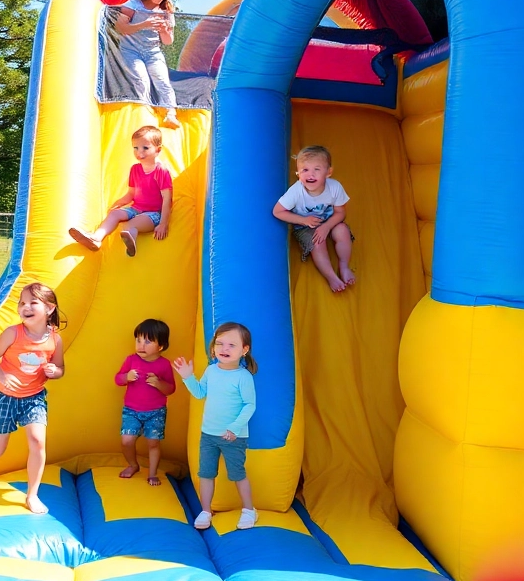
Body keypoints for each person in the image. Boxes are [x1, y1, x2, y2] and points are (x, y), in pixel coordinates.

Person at [0, 282, 67, 514]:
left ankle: (32, 495)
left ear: (49, 309)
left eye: (33, 302)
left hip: (34, 397)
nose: (25, 307)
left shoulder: (55, 339)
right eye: (22, 303)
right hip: (3, 397)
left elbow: (60, 368)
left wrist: (54, 371)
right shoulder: (13, 333)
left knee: (38, 442)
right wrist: (2, 374)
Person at [174, 322, 258, 531]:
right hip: (208, 435)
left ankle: (249, 510)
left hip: (233, 436)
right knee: (206, 473)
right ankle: (205, 510)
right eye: (219, 344)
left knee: (237, 473)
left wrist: (234, 428)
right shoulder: (211, 371)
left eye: (231, 345)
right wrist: (187, 377)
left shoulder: (243, 376)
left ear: (244, 350)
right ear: (213, 348)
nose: (224, 349)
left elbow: (250, 405)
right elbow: (200, 392)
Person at [68, 126, 172, 257]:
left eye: (145, 148)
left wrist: (163, 223)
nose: (139, 152)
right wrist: (118, 204)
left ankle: (131, 243)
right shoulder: (135, 169)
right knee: (114, 214)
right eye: (136, 148)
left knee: (131, 225)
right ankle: (96, 239)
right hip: (136, 208)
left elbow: (167, 198)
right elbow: (131, 194)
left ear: (158, 150)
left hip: (153, 214)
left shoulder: (161, 171)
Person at [272, 145, 356, 292]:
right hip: (304, 226)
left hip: (328, 221)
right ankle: (331, 276)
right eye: (305, 170)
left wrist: (327, 226)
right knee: (318, 243)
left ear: (328, 172)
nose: (310, 175)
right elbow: (278, 211)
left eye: (317, 169)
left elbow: (340, 213)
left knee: (342, 230)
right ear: (298, 173)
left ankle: (344, 266)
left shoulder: (335, 187)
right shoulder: (296, 192)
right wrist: (303, 220)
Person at [114, 0, 182, 129]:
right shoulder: (134, 5)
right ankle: (143, 113)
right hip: (131, 51)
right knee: (141, 80)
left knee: (163, 81)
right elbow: (120, 28)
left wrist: (164, 30)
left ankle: (170, 115)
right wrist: (144, 24)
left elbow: (168, 41)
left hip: (152, 52)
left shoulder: (166, 11)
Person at [115, 318, 176, 486]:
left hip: (156, 412)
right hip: (131, 410)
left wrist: (158, 383)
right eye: (138, 340)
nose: (141, 345)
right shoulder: (131, 360)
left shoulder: (164, 365)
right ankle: (133, 465)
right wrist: (126, 377)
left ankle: (152, 474)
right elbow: (117, 379)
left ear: (161, 346)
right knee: (126, 440)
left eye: (147, 341)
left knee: (153, 443)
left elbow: (171, 389)